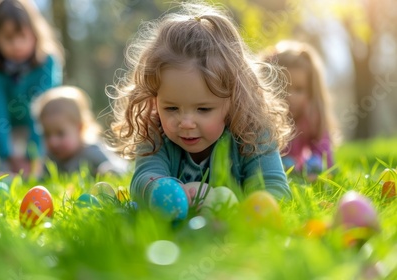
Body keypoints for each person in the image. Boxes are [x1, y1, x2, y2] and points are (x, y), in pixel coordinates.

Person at [107, 2, 293, 221]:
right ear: (154, 99)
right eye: (171, 108)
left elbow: (275, 189)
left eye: (203, 109)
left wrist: (238, 213)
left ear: (235, 100)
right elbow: (142, 181)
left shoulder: (253, 134)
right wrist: (170, 192)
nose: (186, 122)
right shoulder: (155, 132)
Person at [0, 0, 64, 178]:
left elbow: (44, 112)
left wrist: (31, 154)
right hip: (12, 133)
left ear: (35, 33)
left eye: (22, 36)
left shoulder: (47, 63)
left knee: (41, 170)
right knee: (7, 174)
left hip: (45, 131)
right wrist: (7, 154)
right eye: (8, 38)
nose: (16, 44)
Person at [261, 40, 337, 176]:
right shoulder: (262, 120)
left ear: (311, 92)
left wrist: (316, 168)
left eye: (299, 89)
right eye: (282, 87)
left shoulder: (310, 117)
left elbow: (325, 156)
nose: (290, 97)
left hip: (298, 168)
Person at [32, 86, 128, 177]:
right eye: (47, 134)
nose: (53, 142)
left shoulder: (91, 151)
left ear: (79, 128)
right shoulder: (51, 158)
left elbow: (118, 168)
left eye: (60, 133)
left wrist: (107, 171)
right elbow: (41, 179)